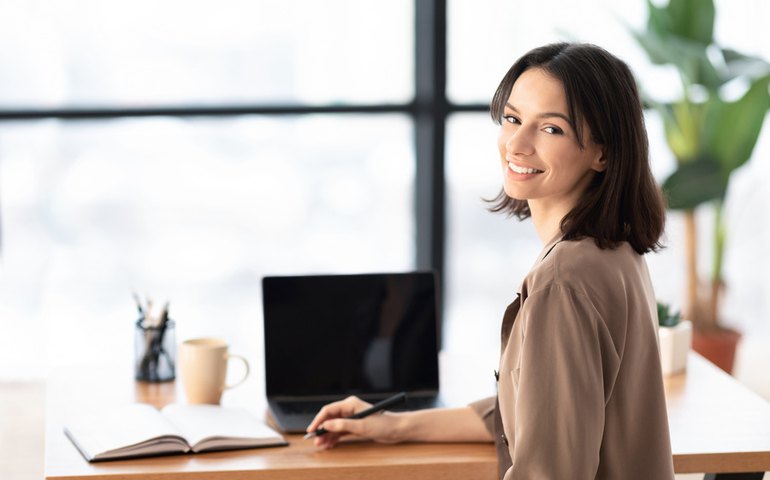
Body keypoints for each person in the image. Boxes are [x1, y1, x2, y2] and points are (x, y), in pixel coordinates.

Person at [306, 42, 675, 479]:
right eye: (513, 119)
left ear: (604, 152)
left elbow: (552, 470)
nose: (516, 144)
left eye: (551, 129)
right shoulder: (612, 252)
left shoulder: (564, 278)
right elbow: (526, 412)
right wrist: (391, 425)